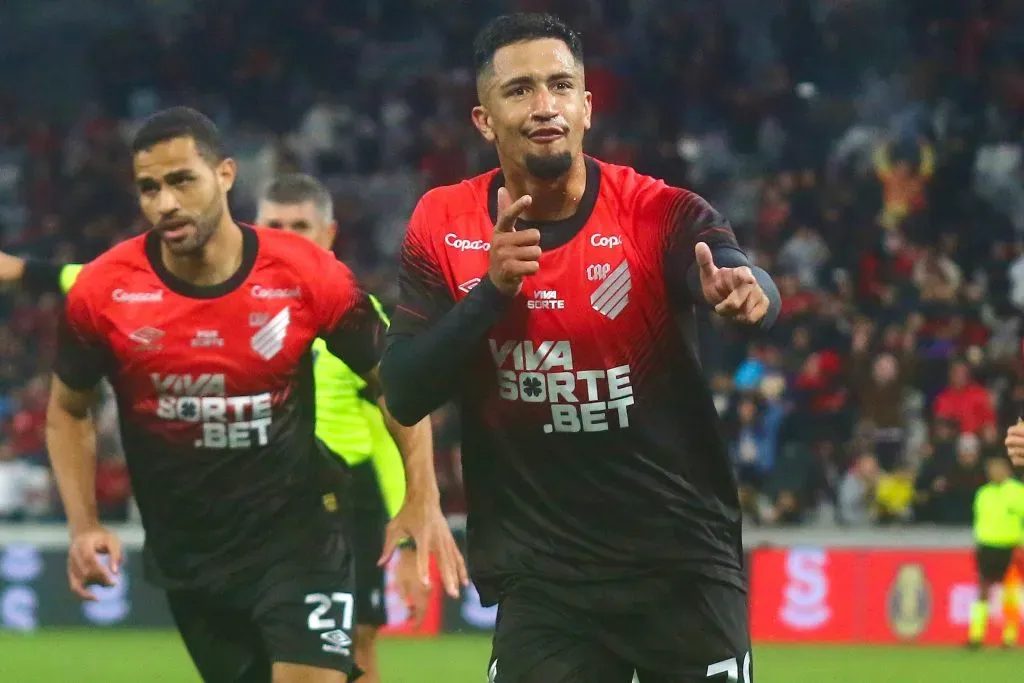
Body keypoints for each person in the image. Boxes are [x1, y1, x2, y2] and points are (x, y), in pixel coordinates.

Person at [380, 13, 780, 683]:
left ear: (586, 106)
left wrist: (749, 291)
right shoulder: (442, 224)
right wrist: (490, 293)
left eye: (560, 85)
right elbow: (405, 389)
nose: (544, 106)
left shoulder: (656, 212)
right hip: (544, 582)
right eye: (520, 89)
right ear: (483, 119)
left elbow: (734, 268)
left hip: (679, 563)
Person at [46, 106, 464, 683]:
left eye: (181, 180)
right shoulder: (103, 290)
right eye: (149, 187)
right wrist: (84, 523)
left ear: (225, 174)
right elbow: (68, 412)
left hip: (301, 537)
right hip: (188, 555)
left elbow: (396, 385)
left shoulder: (304, 274)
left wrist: (422, 496)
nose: (166, 202)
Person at [967, 454, 1024, 649]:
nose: (994, 473)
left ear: (1007, 471)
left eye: (998, 468)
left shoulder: (1017, 491)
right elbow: (979, 521)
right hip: (986, 546)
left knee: (1010, 592)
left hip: (1010, 547)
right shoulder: (983, 493)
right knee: (982, 589)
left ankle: (1009, 638)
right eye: (991, 469)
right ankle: (976, 636)